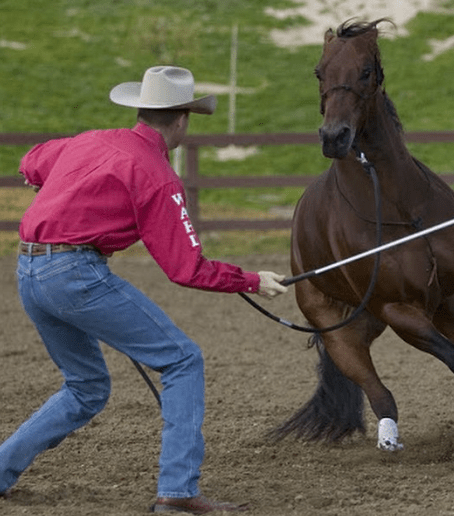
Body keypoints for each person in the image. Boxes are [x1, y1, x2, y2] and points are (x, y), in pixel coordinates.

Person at [0, 65, 288, 513]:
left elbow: (33, 159)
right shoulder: (157, 175)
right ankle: (176, 491)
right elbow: (186, 268)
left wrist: (53, 183)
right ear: (181, 120)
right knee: (182, 359)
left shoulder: (89, 140)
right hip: (75, 276)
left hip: (28, 271)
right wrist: (251, 280)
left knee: (86, 387)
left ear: (141, 109)